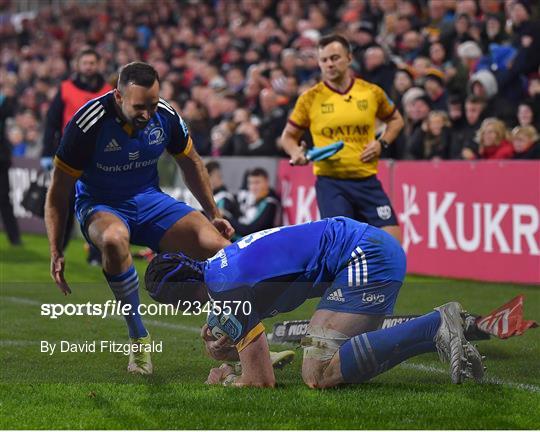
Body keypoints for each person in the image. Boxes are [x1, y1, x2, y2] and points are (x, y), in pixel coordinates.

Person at [44, 62, 233, 375]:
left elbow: (191, 163)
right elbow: (58, 191)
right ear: (118, 96)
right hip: (100, 204)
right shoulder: (88, 124)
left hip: (149, 200)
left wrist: (213, 213)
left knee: (221, 247)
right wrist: (55, 249)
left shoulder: (166, 116)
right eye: (139, 106)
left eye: (153, 104)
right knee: (114, 240)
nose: (147, 113)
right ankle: (138, 338)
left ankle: (246, 336)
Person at [144, 217, 485, 388]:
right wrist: (229, 341)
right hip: (362, 249)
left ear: (180, 296)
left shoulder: (226, 291)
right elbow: (254, 300)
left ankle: (436, 324)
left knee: (318, 372)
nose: (175, 311)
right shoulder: (219, 270)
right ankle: (435, 330)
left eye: (171, 303)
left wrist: (225, 379)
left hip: (364, 257)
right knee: (321, 359)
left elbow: (260, 381)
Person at [280, 34, 404, 243]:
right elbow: (288, 136)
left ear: (349, 57)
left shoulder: (370, 92)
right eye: (324, 60)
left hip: (367, 180)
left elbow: (396, 120)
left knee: (393, 243)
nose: (329, 64)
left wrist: (381, 143)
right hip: (332, 183)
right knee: (342, 244)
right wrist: (295, 152)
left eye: (335, 58)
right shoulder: (309, 98)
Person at [42, 48, 113, 262]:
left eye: (92, 62)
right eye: (85, 62)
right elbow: (51, 123)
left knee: (99, 205)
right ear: (78, 65)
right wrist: (47, 152)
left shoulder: (110, 91)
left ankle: (96, 254)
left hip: (100, 157)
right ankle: (58, 251)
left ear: (99, 64)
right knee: (64, 204)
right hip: (70, 156)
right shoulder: (65, 89)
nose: (89, 66)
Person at [231, 167, 280, 238]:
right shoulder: (257, 200)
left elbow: (252, 231)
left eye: (257, 183)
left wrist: (228, 219)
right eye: (251, 183)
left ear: (267, 182)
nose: (253, 187)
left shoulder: (271, 203)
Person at [0, 88, 21, 245]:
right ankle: (14, 238)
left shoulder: (4, 100)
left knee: (4, 198)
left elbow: (10, 111)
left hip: (1, 157)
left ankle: (14, 237)